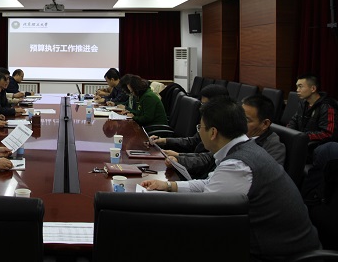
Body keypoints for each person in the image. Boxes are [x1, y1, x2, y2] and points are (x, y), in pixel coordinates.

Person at [141, 96, 320, 260]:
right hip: (273, 244)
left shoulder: (238, 165)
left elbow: (203, 216)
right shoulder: (244, 149)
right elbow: (211, 183)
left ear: (213, 132)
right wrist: (169, 186)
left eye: (199, 128)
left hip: (278, 254)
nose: (199, 132)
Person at [151, 84, 229, 178]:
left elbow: (208, 158)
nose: (201, 108)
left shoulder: (226, 126)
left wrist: (179, 157)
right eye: (201, 104)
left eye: (205, 105)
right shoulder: (208, 119)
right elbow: (193, 141)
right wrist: (165, 140)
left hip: (201, 173)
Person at [287, 73, 338, 150]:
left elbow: (328, 133)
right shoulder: (303, 104)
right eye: (297, 87)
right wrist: (288, 133)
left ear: (313, 88)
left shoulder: (327, 106)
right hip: (302, 142)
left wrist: (303, 136)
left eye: (300, 86)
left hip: (318, 147)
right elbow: (293, 121)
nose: (297, 90)